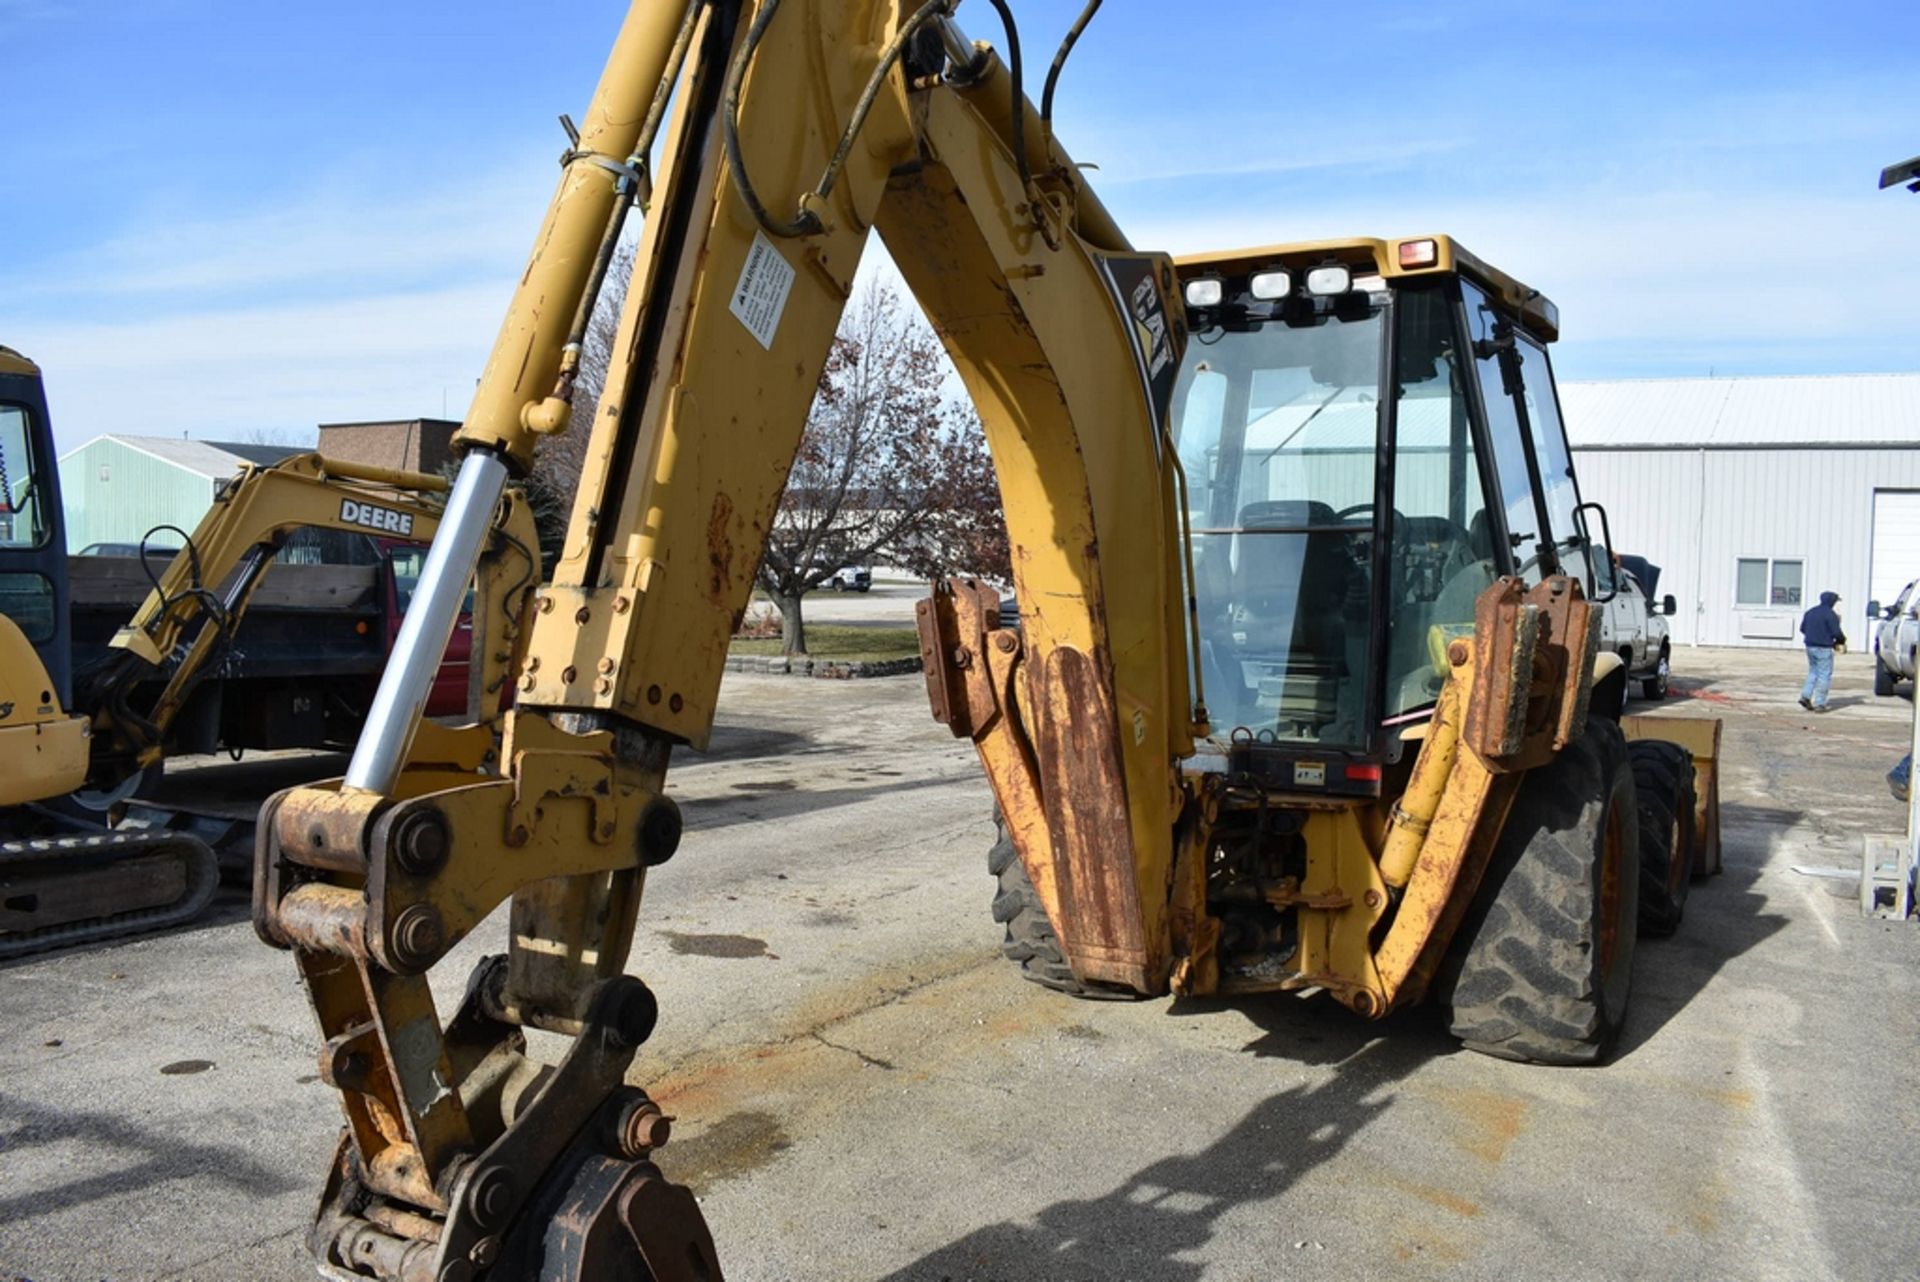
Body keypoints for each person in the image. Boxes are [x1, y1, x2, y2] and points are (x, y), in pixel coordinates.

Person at [1798, 589, 1846, 712]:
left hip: (1810, 646)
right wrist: (1841, 640)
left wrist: (1813, 635)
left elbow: (1802, 629)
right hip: (1824, 648)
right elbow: (1836, 632)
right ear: (1832, 601)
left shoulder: (1810, 612)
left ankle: (1805, 696)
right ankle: (1820, 703)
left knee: (1813, 672)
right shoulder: (1830, 615)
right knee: (1824, 675)